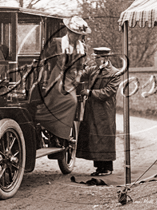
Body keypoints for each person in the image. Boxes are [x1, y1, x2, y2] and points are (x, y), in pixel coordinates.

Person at [35, 16, 91, 144]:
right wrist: (43, 76)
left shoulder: (81, 47)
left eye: (79, 35)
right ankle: (49, 126)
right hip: (57, 76)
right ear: (69, 32)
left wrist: (78, 76)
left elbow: (81, 66)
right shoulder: (58, 43)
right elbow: (45, 59)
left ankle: (61, 134)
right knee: (62, 101)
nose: (77, 37)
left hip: (71, 78)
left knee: (72, 102)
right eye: (75, 34)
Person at [76, 47, 121, 176]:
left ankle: (107, 168)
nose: (95, 60)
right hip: (92, 110)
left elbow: (108, 92)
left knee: (104, 137)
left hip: (105, 111)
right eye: (95, 57)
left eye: (97, 58)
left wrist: (89, 92)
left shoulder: (114, 73)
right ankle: (99, 167)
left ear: (105, 58)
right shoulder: (94, 70)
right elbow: (81, 75)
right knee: (95, 137)